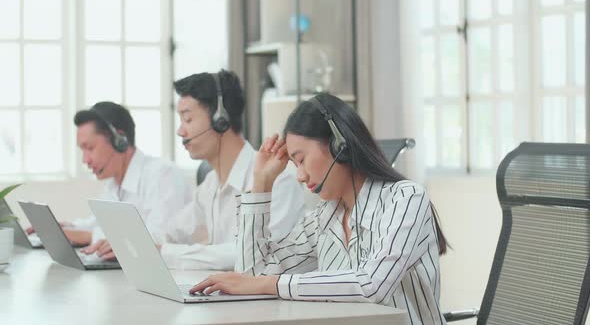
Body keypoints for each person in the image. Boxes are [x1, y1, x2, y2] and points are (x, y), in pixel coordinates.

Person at [191, 93, 448, 325]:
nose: (300, 176)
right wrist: (262, 183)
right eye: (294, 165)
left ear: (339, 145)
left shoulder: (405, 199)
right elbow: (253, 275)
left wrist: (271, 284)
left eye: (301, 160)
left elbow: (372, 284)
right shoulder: (324, 217)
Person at [158, 70, 305, 270]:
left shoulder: (278, 180)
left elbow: (245, 255)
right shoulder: (210, 184)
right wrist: (137, 243)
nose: (180, 131)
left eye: (188, 119)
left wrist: (164, 252)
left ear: (221, 119)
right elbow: (173, 230)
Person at [27, 101, 193, 260]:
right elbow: (96, 223)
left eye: (90, 148)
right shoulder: (114, 183)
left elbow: (160, 238)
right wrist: (66, 229)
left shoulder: (163, 175)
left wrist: (88, 236)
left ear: (120, 140)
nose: (85, 160)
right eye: (82, 150)